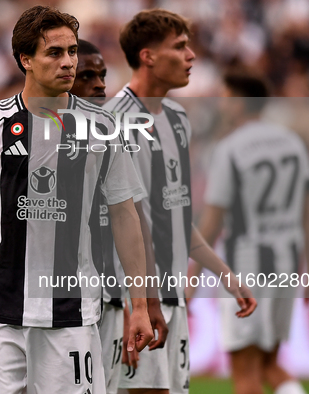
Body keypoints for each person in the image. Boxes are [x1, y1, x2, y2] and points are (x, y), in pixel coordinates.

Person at [0, 6, 154, 394]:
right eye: (55, 53)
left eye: (72, 51)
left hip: (71, 314)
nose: (68, 62)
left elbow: (126, 218)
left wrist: (138, 304)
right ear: (26, 59)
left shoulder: (103, 129)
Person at [102, 9, 257, 394]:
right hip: (133, 302)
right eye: (180, 47)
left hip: (170, 298)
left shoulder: (177, 118)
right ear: (148, 56)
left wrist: (224, 273)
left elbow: (174, 214)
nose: (191, 56)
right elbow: (123, 222)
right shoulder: (115, 122)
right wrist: (136, 303)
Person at [196, 70, 309, 394]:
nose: (221, 106)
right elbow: (308, 213)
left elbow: (212, 222)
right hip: (287, 263)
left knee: (245, 372)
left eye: (224, 99)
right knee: (269, 363)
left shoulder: (231, 148)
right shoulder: (292, 143)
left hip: (247, 265)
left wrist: (193, 272)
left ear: (239, 103)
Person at [70, 39, 168, 394]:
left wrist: (140, 303)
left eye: (102, 74)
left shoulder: (110, 135)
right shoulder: (32, 137)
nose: (99, 84)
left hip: (105, 301)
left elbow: (134, 222)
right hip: (42, 305)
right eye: (87, 76)